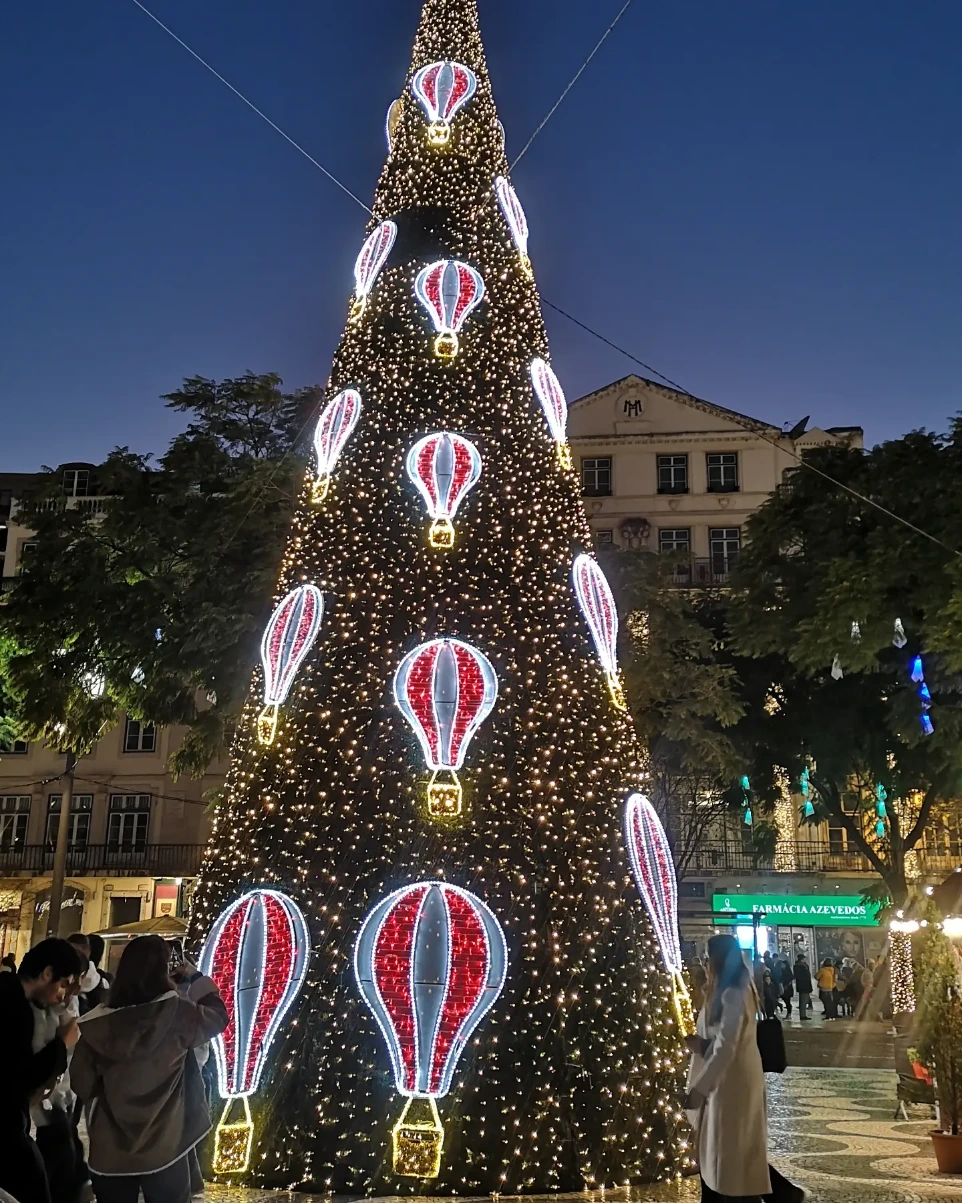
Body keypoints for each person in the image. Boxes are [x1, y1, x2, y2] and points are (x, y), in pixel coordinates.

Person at [71, 934, 228, 1203]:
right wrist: (192, 974)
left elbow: (81, 1084)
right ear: (164, 969)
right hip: (167, 1148)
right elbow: (218, 1014)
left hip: (110, 1154)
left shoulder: (97, 1024)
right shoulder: (179, 1014)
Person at [684, 934, 802, 1202]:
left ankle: (778, 1195)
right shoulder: (720, 989)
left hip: (731, 1083)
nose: (704, 963)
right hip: (722, 1083)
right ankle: (780, 1194)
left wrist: (701, 1082)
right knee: (727, 1154)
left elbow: (728, 1044)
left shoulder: (734, 991)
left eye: (707, 957)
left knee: (732, 1155)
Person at [0, 937, 83, 1203]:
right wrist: (62, 1044)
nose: (62, 994)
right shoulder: (11, 1005)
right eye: (62, 984)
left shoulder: (14, 997)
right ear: (47, 973)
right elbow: (21, 1074)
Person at [31, 956, 89, 1203]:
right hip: (42, 1095)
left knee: (63, 1148)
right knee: (59, 1149)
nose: (66, 992)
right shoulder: (36, 1010)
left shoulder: (63, 1005)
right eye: (65, 984)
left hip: (55, 1094)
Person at [794, 955, 813, 1020]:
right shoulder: (800, 966)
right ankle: (802, 1015)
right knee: (803, 1002)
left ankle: (803, 1015)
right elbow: (802, 976)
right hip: (803, 986)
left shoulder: (801, 966)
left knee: (804, 1001)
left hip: (803, 986)